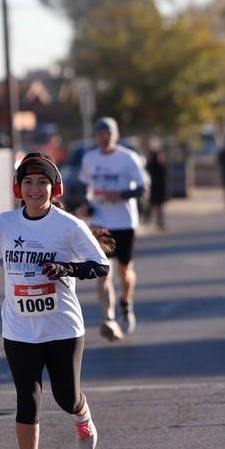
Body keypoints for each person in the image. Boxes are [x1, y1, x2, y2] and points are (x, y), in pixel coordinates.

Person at [0, 153, 111, 449]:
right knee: (27, 401)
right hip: (19, 329)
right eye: (28, 182)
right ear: (19, 189)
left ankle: (81, 413)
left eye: (42, 182)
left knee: (65, 396)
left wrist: (66, 269)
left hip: (62, 327)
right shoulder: (4, 224)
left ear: (53, 188)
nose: (35, 189)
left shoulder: (68, 226)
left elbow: (101, 266)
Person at [79, 117, 149, 340]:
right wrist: (87, 206)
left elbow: (141, 189)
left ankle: (126, 302)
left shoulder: (127, 158)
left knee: (124, 272)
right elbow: (87, 188)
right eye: (101, 135)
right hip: (101, 223)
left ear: (115, 137)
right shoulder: (89, 159)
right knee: (103, 272)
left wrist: (120, 195)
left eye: (108, 135)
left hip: (125, 223)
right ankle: (108, 317)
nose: (105, 139)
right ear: (96, 137)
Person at [145, 147, 169, 230]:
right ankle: (157, 221)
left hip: (154, 189)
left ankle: (151, 221)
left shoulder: (150, 166)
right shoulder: (160, 166)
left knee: (153, 206)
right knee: (157, 206)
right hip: (158, 189)